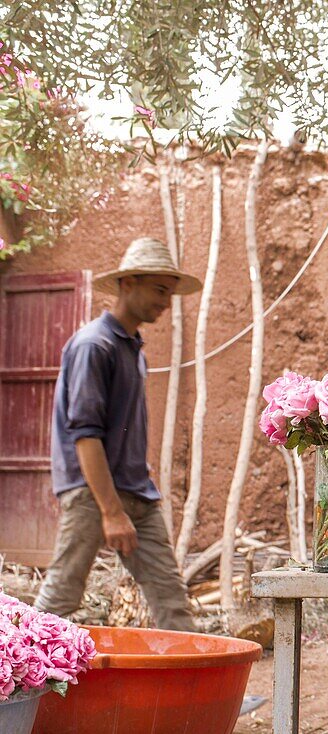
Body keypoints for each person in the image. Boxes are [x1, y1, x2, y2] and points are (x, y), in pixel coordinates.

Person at [35, 236, 203, 632]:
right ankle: (15, 685)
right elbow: (85, 436)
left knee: (171, 600)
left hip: (137, 493)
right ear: (128, 283)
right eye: (160, 289)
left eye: (171, 291)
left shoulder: (132, 349)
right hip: (93, 496)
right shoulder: (95, 345)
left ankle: (189, 693)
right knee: (59, 598)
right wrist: (111, 512)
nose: (167, 300)